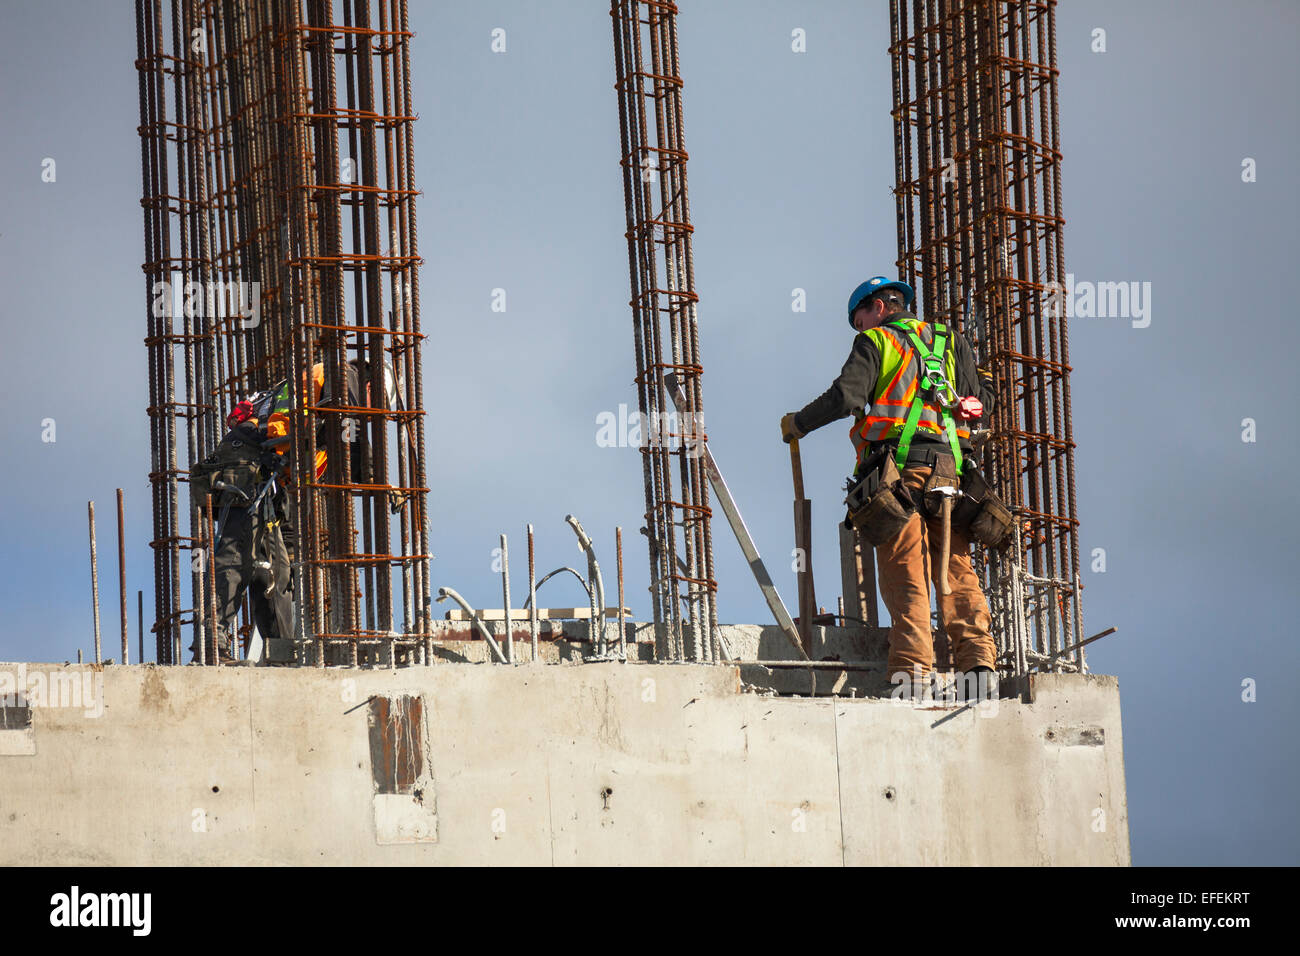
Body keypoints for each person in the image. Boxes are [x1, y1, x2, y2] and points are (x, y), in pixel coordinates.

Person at [780, 276, 999, 701]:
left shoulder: (877, 342)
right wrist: (981, 374)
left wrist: (799, 423)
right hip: (951, 472)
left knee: (906, 573)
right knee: (955, 569)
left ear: (878, 308)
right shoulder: (950, 341)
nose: (859, 330)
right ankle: (978, 668)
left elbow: (846, 397)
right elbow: (982, 405)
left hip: (899, 473)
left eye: (859, 321)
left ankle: (912, 676)